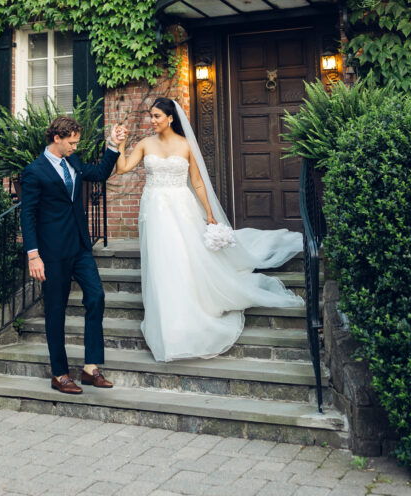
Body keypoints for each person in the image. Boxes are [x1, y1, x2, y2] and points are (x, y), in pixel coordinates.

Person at [115, 96, 304, 362]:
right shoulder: (145, 144)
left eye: (157, 116)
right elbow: (122, 169)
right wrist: (121, 145)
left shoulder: (185, 145)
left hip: (181, 208)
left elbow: (198, 183)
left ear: (170, 118)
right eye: (150, 115)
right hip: (154, 211)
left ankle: (188, 315)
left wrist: (209, 213)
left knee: (183, 260)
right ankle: (167, 325)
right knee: (160, 262)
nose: (152, 120)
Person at [20, 114, 125, 394]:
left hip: (80, 246)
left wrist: (113, 146)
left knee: (96, 297)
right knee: (56, 311)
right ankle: (60, 374)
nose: (75, 147)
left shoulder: (74, 162)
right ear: (57, 138)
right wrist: (33, 255)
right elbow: (27, 215)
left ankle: (91, 368)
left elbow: (100, 174)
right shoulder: (34, 171)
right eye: (72, 142)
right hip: (52, 252)